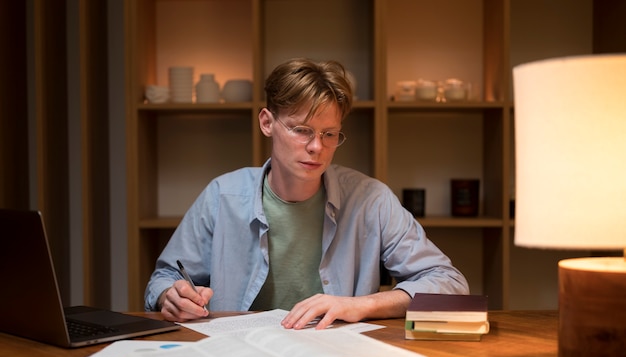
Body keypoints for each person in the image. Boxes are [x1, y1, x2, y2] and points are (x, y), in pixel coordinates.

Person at [145, 58, 469, 329]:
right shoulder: (222, 195)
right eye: (301, 130)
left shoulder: (371, 198)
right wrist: (169, 296)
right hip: (240, 355)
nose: (317, 147)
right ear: (267, 122)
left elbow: (450, 284)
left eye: (330, 134)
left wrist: (361, 305)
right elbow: (164, 277)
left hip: (336, 356)